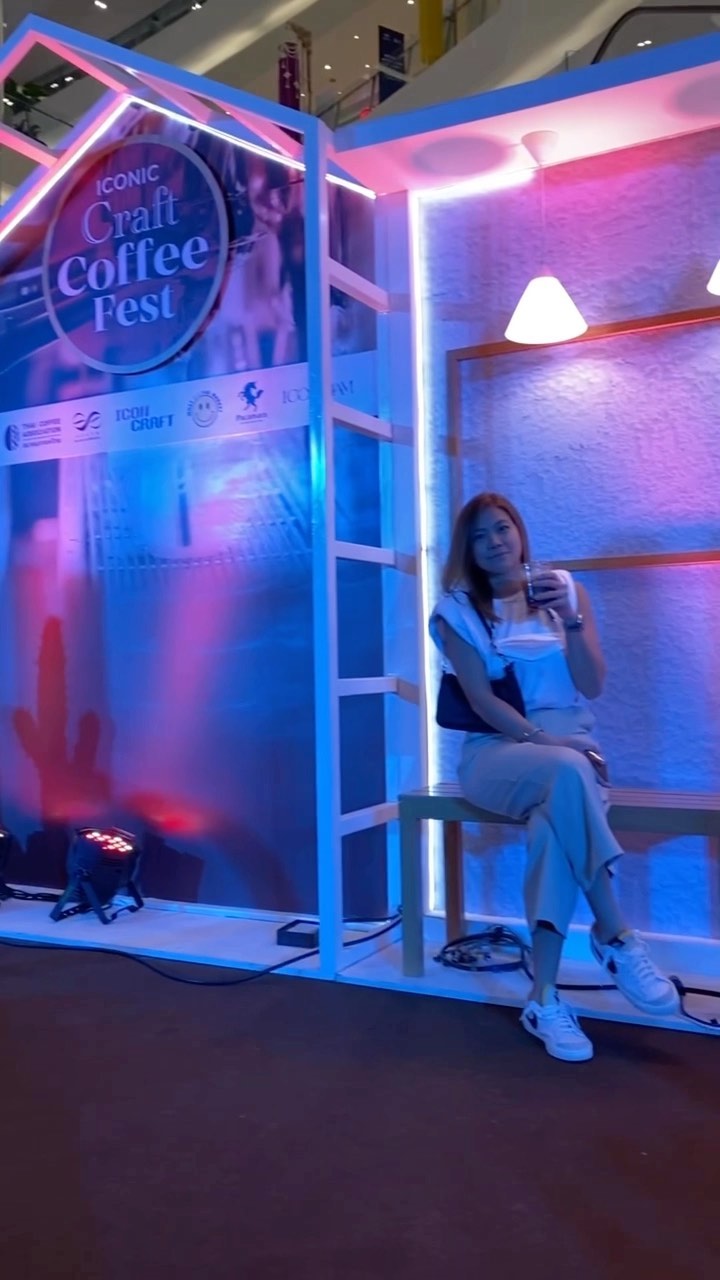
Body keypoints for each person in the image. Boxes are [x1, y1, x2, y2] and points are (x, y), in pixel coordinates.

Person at [430, 491, 679, 1063]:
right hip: (498, 752)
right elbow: (482, 702)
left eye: (502, 528)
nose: (494, 542)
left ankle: (543, 998)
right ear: (466, 549)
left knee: (552, 829)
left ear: (520, 531)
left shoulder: (566, 592)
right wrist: (546, 742)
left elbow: (592, 684)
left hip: (572, 749)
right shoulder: (456, 612)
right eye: (479, 536)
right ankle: (615, 934)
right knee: (568, 771)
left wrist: (571, 619)